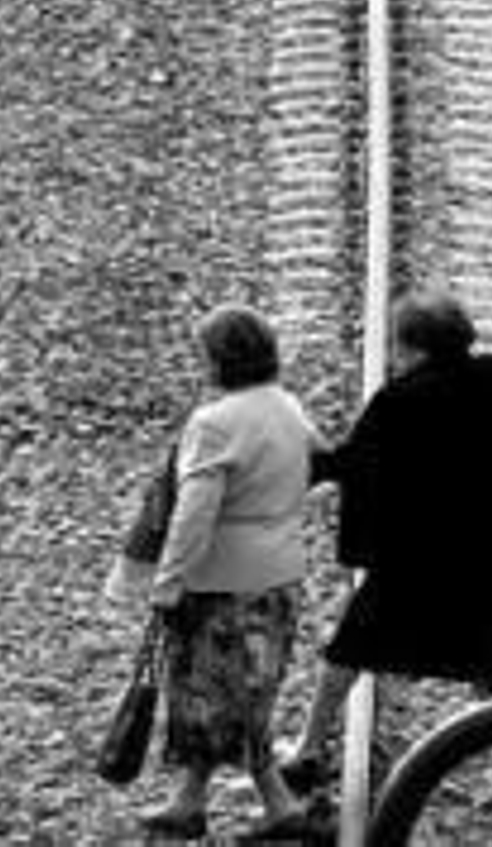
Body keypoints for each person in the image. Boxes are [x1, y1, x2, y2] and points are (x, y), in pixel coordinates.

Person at [281, 288, 492, 831]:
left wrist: (305, 453)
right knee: (485, 663)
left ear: (413, 346)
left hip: (412, 562)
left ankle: (307, 752)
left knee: (348, 651)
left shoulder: (399, 400)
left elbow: (354, 466)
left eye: (397, 345)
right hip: (486, 558)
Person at [106, 303, 323, 841]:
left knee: (209, 696)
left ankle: (277, 806)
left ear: (222, 360)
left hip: (221, 587)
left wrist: (167, 583)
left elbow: (193, 515)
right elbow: (319, 466)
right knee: (243, 694)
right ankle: (191, 801)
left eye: (203, 355)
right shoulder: (287, 406)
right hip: (279, 580)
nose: (200, 365)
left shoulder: (214, 424)